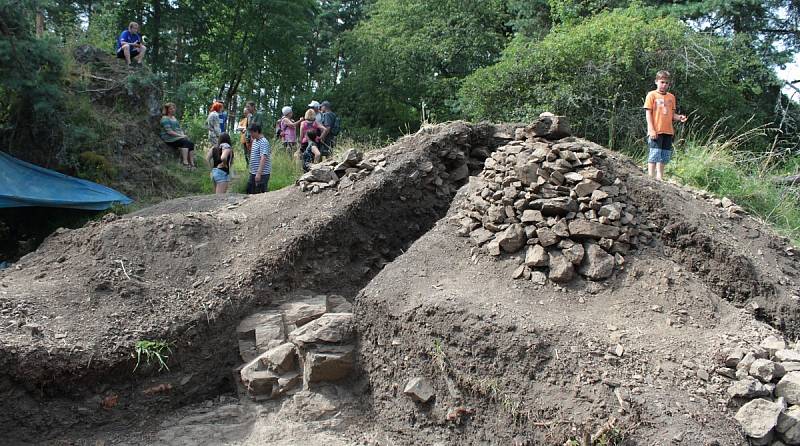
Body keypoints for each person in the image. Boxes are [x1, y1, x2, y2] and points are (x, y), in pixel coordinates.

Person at [644, 70, 688, 181]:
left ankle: (660, 176)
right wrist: (651, 129)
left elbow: (672, 115)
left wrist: (679, 117)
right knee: (654, 152)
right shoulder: (651, 95)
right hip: (656, 130)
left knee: (664, 154)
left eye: (666, 83)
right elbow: (648, 113)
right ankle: (650, 176)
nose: (664, 85)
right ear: (656, 82)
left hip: (668, 130)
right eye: (662, 82)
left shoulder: (671, 97)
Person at [159, 102, 196, 168]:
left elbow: (179, 129)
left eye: (173, 108)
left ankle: (192, 163)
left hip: (177, 137)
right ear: (167, 110)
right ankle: (185, 162)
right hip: (169, 138)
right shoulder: (165, 119)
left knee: (191, 144)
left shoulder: (174, 118)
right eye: (171, 109)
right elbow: (169, 131)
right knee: (185, 142)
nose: (173, 110)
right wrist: (181, 136)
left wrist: (183, 135)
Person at [247, 124, 271, 194]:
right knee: (250, 190)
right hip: (253, 172)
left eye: (252, 132)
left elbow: (263, 158)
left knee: (260, 194)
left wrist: (259, 173)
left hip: (262, 174)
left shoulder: (264, 142)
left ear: (257, 131)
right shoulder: (255, 141)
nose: (251, 134)